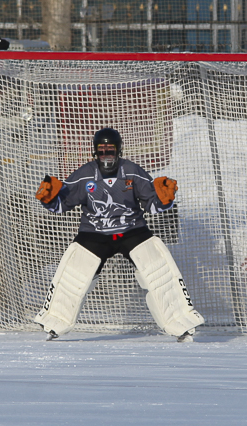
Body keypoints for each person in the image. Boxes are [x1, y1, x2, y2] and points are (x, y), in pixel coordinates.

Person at [33, 126, 204, 342]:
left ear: (119, 151)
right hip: (94, 233)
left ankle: (182, 323)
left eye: (110, 151)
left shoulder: (132, 171)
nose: (106, 156)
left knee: (158, 269)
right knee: (73, 274)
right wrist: (49, 199)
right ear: (95, 153)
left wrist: (164, 200)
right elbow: (61, 205)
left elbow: (152, 206)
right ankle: (54, 321)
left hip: (131, 230)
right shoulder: (84, 174)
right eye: (102, 151)